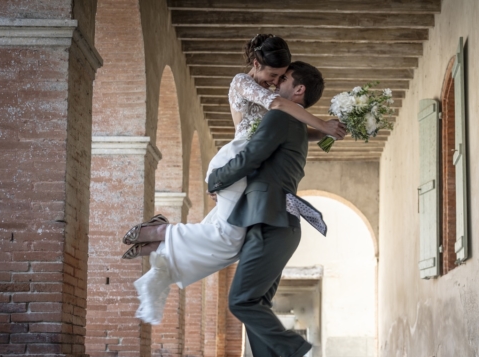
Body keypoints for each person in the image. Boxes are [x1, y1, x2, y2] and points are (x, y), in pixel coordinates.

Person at [121, 35, 345, 324]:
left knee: (229, 235)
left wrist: (330, 131)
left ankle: (160, 242)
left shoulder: (275, 99)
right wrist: (323, 123)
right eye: (273, 74)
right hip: (237, 159)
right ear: (255, 63)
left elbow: (298, 131)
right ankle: (158, 234)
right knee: (229, 237)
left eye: (280, 76)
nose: (275, 81)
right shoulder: (243, 82)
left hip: (248, 166)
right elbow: (277, 104)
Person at [207, 61, 327, 357]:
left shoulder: (281, 117)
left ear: (298, 90)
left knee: (240, 301)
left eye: (285, 80)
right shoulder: (298, 125)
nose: (277, 86)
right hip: (278, 222)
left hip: (270, 220)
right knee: (255, 303)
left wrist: (214, 180)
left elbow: (250, 156)